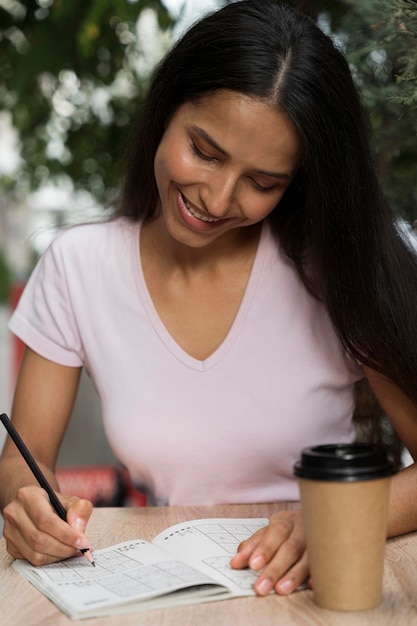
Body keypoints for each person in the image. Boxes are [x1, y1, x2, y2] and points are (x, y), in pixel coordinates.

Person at [1, 0, 417, 599]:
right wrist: (29, 507)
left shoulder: (334, 268)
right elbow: (24, 457)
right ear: (167, 109)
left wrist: (338, 518)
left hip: (329, 581)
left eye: (263, 182)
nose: (218, 199)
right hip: (181, 588)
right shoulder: (79, 266)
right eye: (205, 151)